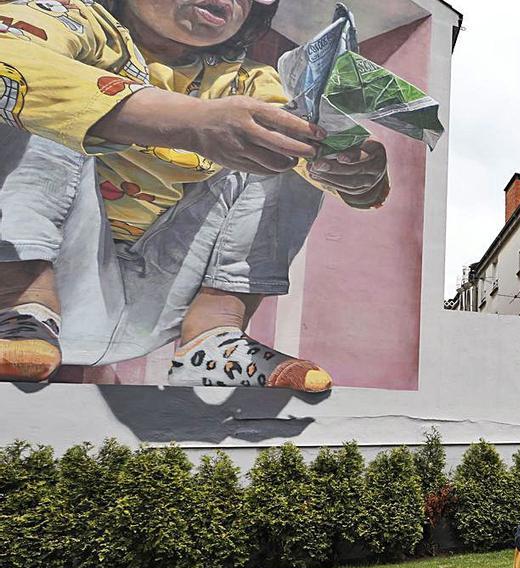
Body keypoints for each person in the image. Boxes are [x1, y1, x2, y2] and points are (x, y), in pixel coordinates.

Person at [0, 0, 392, 391]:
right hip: (50, 277)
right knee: (22, 90)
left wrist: (353, 175)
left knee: (288, 136)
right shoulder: (70, 18)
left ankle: (215, 338)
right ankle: (17, 295)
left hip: (160, 303)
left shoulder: (250, 80)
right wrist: (188, 121)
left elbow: (315, 170)